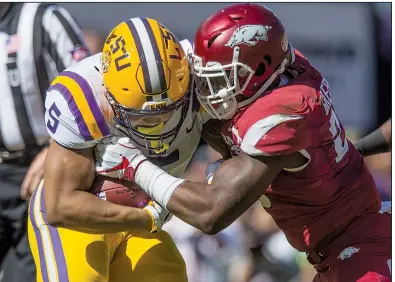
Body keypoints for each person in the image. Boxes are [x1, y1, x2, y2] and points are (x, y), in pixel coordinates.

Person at [95, 4, 391, 282]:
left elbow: (211, 214)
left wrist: (136, 166)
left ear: (260, 69)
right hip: (349, 242)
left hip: (360, 251)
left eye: (223, 78)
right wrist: (351, 154)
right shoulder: (283, 70)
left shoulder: (281, 114)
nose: (210, 89)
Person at [27, 16, 205, 282]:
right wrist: (146, 217)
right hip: (80, 222)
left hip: (143, 219)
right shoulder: (84, 96)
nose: (155, 124)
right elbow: (60, 206)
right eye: (141, 117)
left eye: (166, 112)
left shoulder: (203, 77)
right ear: (108, 92)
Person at [0, 3, 89, 282]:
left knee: (28, 274)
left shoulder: (44, 18)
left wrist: (55, 148)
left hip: (35, 173)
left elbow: (89, 89)